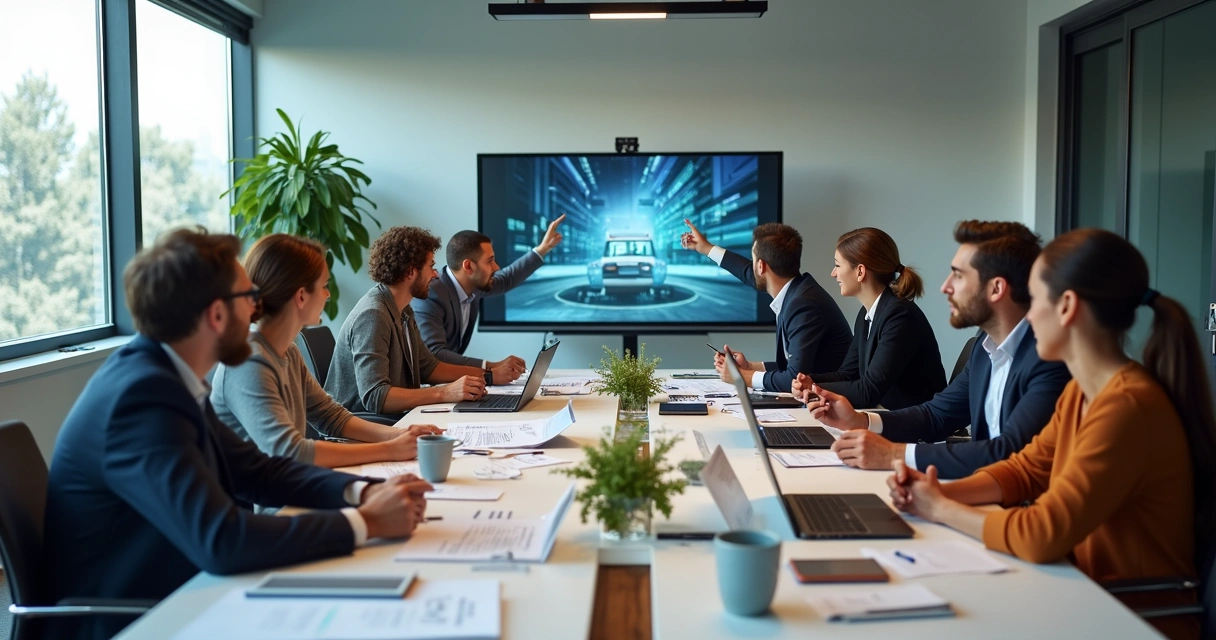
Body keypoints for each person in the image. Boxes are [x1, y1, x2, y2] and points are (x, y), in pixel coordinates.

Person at [42, 229, 432, 640]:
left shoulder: (166, 377)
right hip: (133, 617)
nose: (257, 306)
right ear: (216, 314)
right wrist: (365, 522)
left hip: (181, 587)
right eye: (248, 297)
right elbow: (221, 541)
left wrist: (361, 492)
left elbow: (258, 470)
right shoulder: (141, 399)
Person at [887, 229, 1214, 639]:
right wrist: (933, 491)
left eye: (1036, 299)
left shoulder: (1127, 405)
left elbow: (1044, 533)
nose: (1027, 314)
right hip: (1081, 597)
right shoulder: (1083, 391)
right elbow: (1024, 470)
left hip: (1129, 619)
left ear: (1067, 307)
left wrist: (938, 509)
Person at [799, 221, 1071, 478]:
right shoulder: (984, 349)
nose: (945, 287)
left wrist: (894, 454)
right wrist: (860, 420)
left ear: (996, 288)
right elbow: (936, 414)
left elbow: (1008, 453)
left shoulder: (1048, 359)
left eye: (958, 275)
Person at [211, 233, 443, 469]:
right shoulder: (249, 362)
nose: (328, 294)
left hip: (298, 487)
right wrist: (389, 449)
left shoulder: (288, 352)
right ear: (301, 296)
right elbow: (290, 451)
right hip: (276, 504)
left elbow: (330, 416)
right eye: (323, 286)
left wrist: (400, 435)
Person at [325, 226, 495, 415]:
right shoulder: (373, 315)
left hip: (393, 419)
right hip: (365, 424)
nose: (436, 274)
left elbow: (428, 367)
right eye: (431, 266)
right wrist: (444, 392)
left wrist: (489, 375)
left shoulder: (404, 310)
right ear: (410, 271)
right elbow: (376, 397)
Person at [680, 219, 852, 392]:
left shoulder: (804, 305)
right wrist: (749, 367)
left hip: (839, 404)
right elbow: (796, 367)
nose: (751, 267)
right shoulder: (798, 291)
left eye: (753, 260)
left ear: (761, 266)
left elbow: (795, 378)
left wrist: (742, 377)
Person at [789, 227, 946, 410]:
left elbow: (868, 392)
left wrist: (814, 388)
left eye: (838, 265)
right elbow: (849, 374)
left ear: (860, 272)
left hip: (919, 430)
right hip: (892, 418)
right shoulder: (867, 314)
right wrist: (810, 380)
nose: (833, 273)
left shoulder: (900, 316)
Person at [413, 216, 566, 381]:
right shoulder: (432, 293)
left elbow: (508, 278)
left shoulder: (475, 286)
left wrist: (543, 248)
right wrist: (491, 368)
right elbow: (435, 354)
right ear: (468, 266)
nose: (497, 267)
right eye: (490, 261)